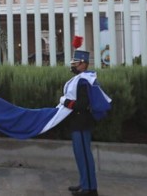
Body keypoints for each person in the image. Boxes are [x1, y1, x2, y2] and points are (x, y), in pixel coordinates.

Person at [61, 48, 110, 196]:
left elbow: (81, 104)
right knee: (79, 154)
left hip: (82, 123)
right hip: (78, 123)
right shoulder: (80, 79)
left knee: (84, 155)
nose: (74, 66)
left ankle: (90, 189)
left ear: (84, 64)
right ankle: (84, 183)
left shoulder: (84, 81)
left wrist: (65, 102)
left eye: (76, 63)